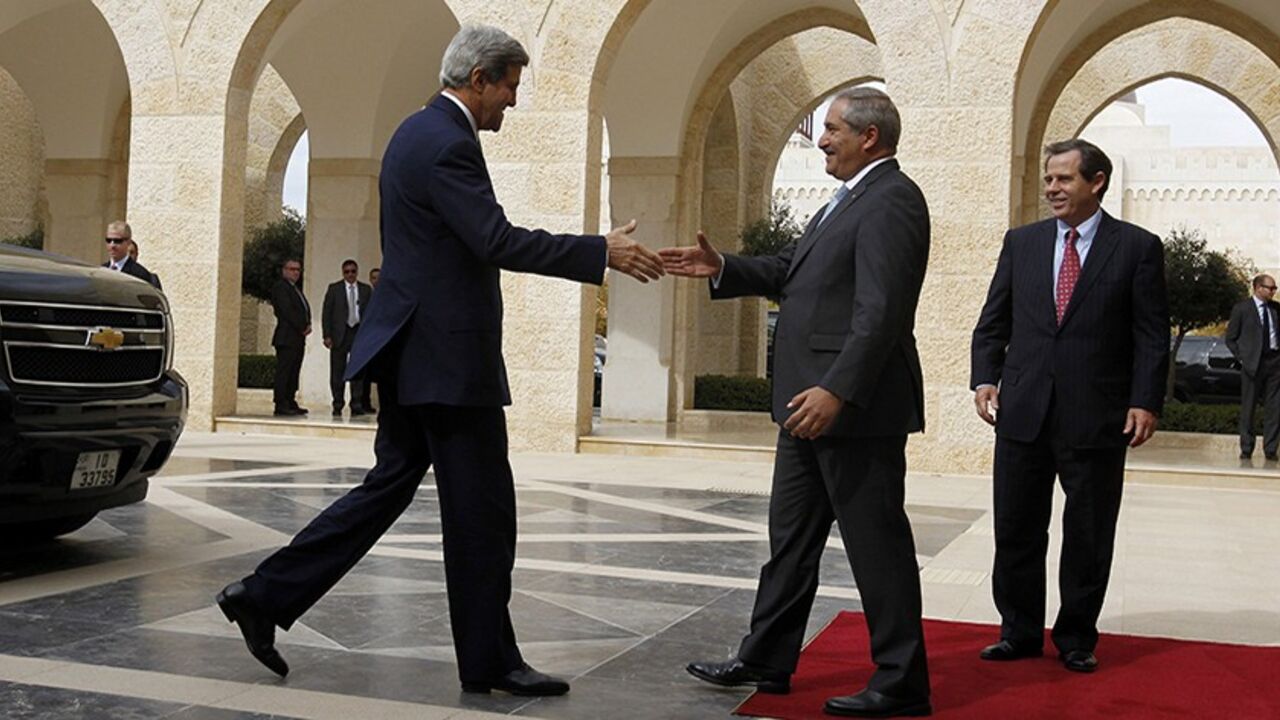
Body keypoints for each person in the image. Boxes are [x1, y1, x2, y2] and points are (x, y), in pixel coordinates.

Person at [215, 24, 664, 696]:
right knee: (484, 513)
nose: (512, 100)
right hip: (446, 363)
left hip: (413, 353)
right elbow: (495, 238)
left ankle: (263, 595)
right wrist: (599, 252)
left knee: (385, 491)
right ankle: (491, 663)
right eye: (509, 85)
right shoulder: (446, 143)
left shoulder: (415, 132)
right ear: (478, 78)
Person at [668, 87, 931, 719]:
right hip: (804, 408)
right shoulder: (843, 202)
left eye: (834, 128)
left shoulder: (893, 199)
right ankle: (766, 658)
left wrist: (838, 388)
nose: (822, 138)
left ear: (870, 136)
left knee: (876, 545)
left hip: (853, 410)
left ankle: (901, 679)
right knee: (790, 540)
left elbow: (881, 313)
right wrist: (722, 266)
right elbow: (793, 269)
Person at [970, 138, 1169, 674]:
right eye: (1049, 179)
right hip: (1024, 412)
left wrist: (1144, 401)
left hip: (1097, 416)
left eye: (1064, 179)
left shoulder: (1137, 247)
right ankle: (1018, 631)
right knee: (1016, 527)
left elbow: (1151, 335)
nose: (1053, 188)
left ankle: (1077, 636)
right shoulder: (1022, 243)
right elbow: (994, 321)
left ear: (1096, 181)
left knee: (1088, 532)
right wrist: (984, 378)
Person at [1225, 274, 1280, 460]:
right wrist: (1243, 358)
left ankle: (1271, 448)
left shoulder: (1276, 309)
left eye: (1275, 288)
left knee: (1275, 408)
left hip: (1275, 363)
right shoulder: (1242, 309)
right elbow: (1230, 338)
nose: (1273, 292)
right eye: (1270, 288)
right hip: (1252, 364)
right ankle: (1246, 448)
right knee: (1249, 408)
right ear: (1257, 287)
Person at [321, 259, 372, 417]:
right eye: (347, 272)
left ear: (357, 272)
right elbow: (326, 313)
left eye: (353, 271)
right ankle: (337, 403)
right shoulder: (334, 289)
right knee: (337, 372)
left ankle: (356, 404)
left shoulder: (365, 290)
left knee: (357, 372)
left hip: (358, 333)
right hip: (339, 335)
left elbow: (371, 313)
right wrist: (327, 335)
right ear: (343, 273)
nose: (350, 274)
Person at [269, 258, 311, 416]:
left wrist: (306, 324)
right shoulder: (281, 288)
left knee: (294, 370)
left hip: (297, 338)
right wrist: (302, 326)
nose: (295, 272)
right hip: (287, 336)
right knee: (285, 371)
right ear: (284, 270)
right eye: (292, 269)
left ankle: (290, 400)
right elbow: (287, 311)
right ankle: (281, 403)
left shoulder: (294, 288)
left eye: (298, 270)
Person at [102, 221, 159, 289]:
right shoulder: (101, 271)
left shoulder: (140, 274)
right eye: (108, 240)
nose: (112, 245)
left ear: (128, 242)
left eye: (117, 241)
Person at [362, 267, 381, 412]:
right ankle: (364, 402)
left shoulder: (390, 295)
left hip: (382, 338)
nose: (377, 281)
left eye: (379, 278)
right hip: (368, 339)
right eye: (374, 278)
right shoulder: (366, 295)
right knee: (366, 375)